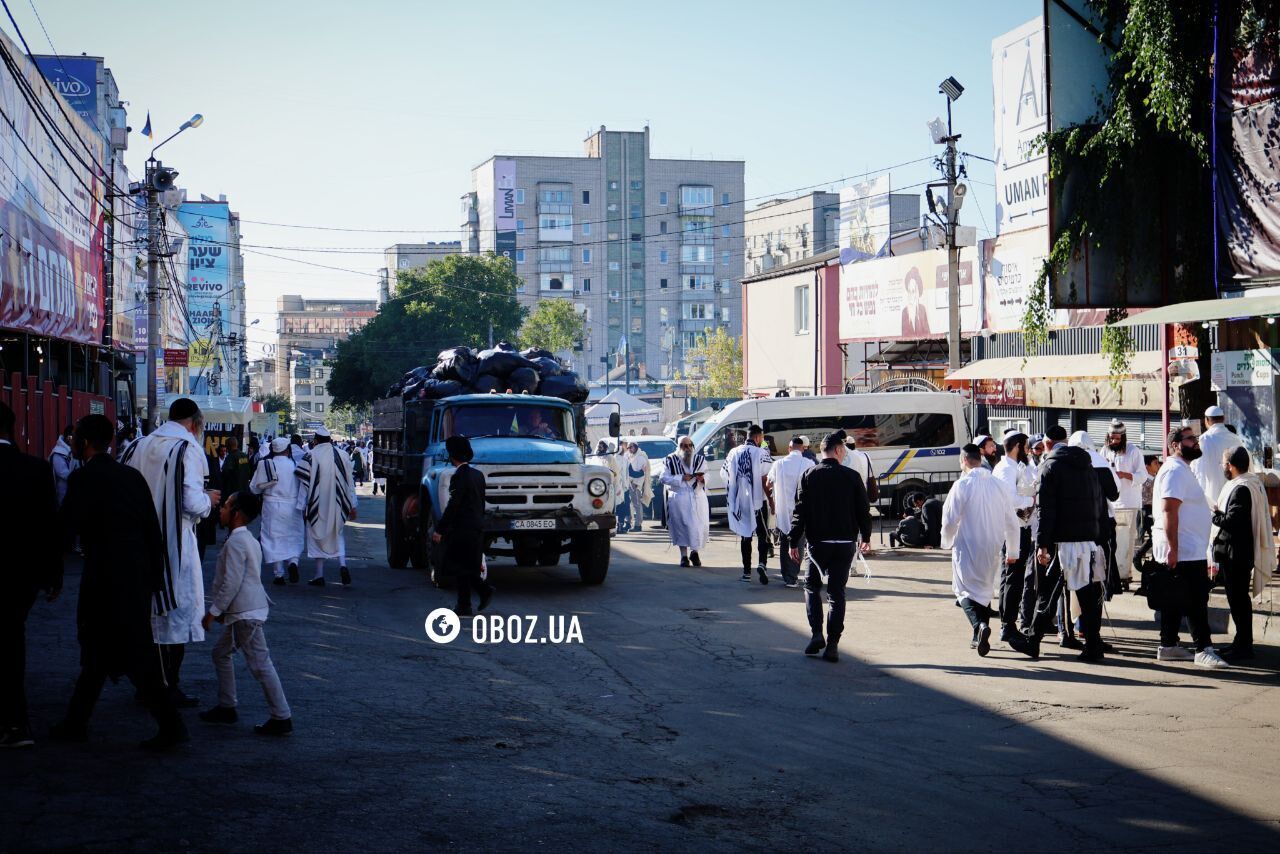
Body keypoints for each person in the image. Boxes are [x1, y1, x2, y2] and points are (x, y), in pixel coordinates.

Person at [50, 414, 185, 751]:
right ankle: (77, 721)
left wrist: (51, 571)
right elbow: (152, 528)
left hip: (104, 575)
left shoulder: (83, 478)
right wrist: (155, 576)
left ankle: (170, 727)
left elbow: (65, 528)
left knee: (120, 651)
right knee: (112, 651)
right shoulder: (131, 476)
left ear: (83, 442)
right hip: (136, 575)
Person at [121, 397, 218, 708]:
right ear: (195, 422)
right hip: (174, 541)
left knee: (145, 614)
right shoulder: (188, 448)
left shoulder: (136, 446)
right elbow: (192, 502)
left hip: (137, 541)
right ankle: (167, 686)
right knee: (174, 614)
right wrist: (209, 501)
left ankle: (146, 683)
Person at [199, 490, 293, 736]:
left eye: (226, 506)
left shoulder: (237, 542)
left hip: (245, 614)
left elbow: (232, 582)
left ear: (237, 514)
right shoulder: (248, 540)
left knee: (260, 664)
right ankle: (227, 706)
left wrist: (213, 612)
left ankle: (281, 716)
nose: (221, 510)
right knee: (221, 654)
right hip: (243, 612)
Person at [0, 402, 63, 748]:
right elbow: (49, 526)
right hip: (20, 576)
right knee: (13, 642)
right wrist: (53, 574)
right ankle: (14, 721)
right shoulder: (36, 469)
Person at [1021, 425, 1105, 661]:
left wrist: (1042, 544)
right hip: (1086, 538)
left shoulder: (1050, 466)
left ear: (1047, 444)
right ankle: (1093, 645)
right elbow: (1098, 501)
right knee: (1086, 594)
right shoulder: (1087, 464)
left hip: (1062, 540)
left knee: (1049, 592)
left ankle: (1033, 641)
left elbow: (1046, 510)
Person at [788, 432, 873, 663]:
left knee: (811, 587)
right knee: (836, 593)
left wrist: (793, 540)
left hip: (818, 544)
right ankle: (833, 644)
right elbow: (863, 509)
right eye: (843, 450)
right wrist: (866, 536)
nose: (844, 453)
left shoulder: (809, 475)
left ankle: (817, 634)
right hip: (845, 543)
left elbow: (800, 511)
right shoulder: (852, 476)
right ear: (837, 450)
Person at [1151, 426, 1228, 668]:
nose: (1196, 442)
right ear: (1175, 445)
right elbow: (1169, 510)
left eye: (1195, 437)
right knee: (1196, 600)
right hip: (1183, 548)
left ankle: (1168, 646)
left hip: (1187, 547)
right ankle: (1203, 649)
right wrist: (1173, 548)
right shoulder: (1174, 470)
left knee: (1175, 598)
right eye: (1190, 439)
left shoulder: (1183, 469)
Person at [941, 444, 1021, 656]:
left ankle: (979, 625)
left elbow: (949, 519)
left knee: (962, 589)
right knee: (984, 591)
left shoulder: (962, 485)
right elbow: (1012, 522)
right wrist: (1013, 551)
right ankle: (978, 637)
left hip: (967, 544)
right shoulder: (998, 485)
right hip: (993, 545)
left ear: (964, 460)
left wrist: (946, 541)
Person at [1211, 446, 1274, 662]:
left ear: (1230, 465)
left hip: (1236, 554)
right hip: (1238, 552)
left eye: (1223, 463)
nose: (1222, 467)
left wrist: (1215, 515)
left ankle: (1244, 646)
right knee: (1238, 600)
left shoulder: (1241, 488)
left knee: (1238, 601)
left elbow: (1233, 521)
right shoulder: (1250, 483)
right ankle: (1240, 642)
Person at [432, 436, 493, 616]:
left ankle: (481, 592)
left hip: (462, 528)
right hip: (477, 527)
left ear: (452, 455)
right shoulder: (478, 475)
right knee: (467, 566)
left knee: (459, 566)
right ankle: (464, 604)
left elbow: (453, 505)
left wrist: (440, 529)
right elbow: (481, 503)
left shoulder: (458, 476)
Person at [294, 425, 357, 587]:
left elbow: (304, 486)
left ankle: (319, 575)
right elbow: (350, 483)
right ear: (329, 440)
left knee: (316, 537)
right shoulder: (342, 455)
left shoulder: (310, 456)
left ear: (315, 441)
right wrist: (353, 505)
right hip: (338, 504)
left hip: (316, 504)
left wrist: (301, 506)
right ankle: (343, 565)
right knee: (337, 534)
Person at [992, 433, 1036, 642]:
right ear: (1017, 446)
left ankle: (1007, 622)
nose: (1028, 451)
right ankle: (1008, 624)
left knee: (1011, 576)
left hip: (1018, 527)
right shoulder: (1006, 469)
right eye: (1026, 447)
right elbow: (1010, 499)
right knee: (1013, 577)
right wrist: (1031, 500)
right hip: (1013, 529)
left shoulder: (1012, 467)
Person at [724, 425, 774, 584]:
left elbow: (725, 474)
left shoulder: (733, 452)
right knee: (762, 534)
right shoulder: (761, 453)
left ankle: (746, 572)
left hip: (741, 501)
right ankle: (762, 564)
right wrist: (771, 500)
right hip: (758, 500)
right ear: (758, 437)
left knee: (745, 535)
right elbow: (766, 478)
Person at [1103, 420, 1150, 589]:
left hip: (1128, 502)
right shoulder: (1105, 450)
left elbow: (1143, 476)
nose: (1114, 441)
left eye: (1117, 438)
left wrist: (1125, 474)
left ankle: (1124, 574)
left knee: (1126, 542)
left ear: (1123, 438)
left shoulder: (1133, 451)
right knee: (1112, 541)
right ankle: (1113, 574)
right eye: (1111, 438)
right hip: (1111, 504)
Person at [251, 437, 303, 585]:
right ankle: (293, 562)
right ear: (287, 449)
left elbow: (254, 488)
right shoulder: (295, 465)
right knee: (293, 536)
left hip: (271, 506)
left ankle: (279, 574)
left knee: (273, 538)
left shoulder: (266, 464)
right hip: (292, 505)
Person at [767, 436, 816, 587]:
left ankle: (787, 576)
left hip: (783, 511)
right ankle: (793, 575)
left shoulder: (778, 464)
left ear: (789, 448)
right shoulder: (809, 463)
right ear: (803, 449)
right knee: (799, 541)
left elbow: (768, 483)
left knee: (784, 542)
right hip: (802, 510)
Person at [661, 437, 710, 567]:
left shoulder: (700, 459)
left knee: (698, 526)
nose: (687, 448)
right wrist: (681, 478)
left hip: (697, 496)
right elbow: (663, 478)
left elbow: (707, 475)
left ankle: (695, 552)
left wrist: (702, 478)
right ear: (679, 446)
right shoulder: (670, 460)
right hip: (679, 497)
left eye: (689, 445)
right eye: (683, 445)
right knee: (681, 527)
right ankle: (683, 556)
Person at [1191, 406, 1243, 509]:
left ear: (1207, 420)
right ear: (1223, 419)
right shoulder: (1236, 438)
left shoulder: (1204, 439)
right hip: (1234, 492)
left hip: (1212, 494)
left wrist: (1200, 496)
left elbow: (1199, 470)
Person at [623, 441, 653, 532]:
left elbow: (642, 473)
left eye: (631, 447)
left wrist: (636, 483)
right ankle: (628, 523)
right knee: (628, 504)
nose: (630, 449)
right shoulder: (628, 456)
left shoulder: (641, 457)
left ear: (636, 447)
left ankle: (638, 525)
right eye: (628, 447)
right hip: (627, 483)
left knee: (637, 504)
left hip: (636, 484)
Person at [49, 425, 78, 507]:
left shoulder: (73, 451)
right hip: (63, 495)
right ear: (68, 438)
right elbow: (64, 474)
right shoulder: (58, 453)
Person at [900, 268, 931, 337]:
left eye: (913, 291)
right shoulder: (904, 312)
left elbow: (928, 333)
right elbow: (904, 336)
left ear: (917, 293)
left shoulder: (922, 309)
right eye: (909, 291)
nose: (910, 295)